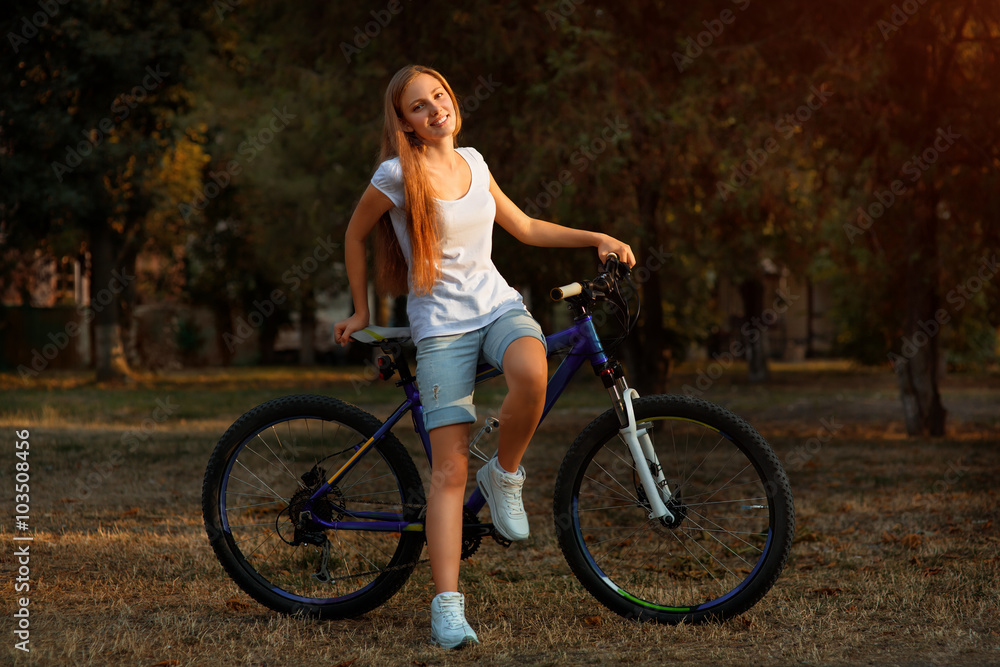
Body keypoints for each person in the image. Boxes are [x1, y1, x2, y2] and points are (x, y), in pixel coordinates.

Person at [333, 64, 635, 650]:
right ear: (405, 123)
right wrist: (360, 310)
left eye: (439, 96)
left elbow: (525, 226)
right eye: (418, 106)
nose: (434, 109)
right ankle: (447, 607)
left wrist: (596, 237)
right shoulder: (396, 175)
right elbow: (353, 234)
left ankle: (505, 473)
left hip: (497, 306)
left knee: (532, 370)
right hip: (441, 328)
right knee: (449, 472)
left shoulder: (474, 162)